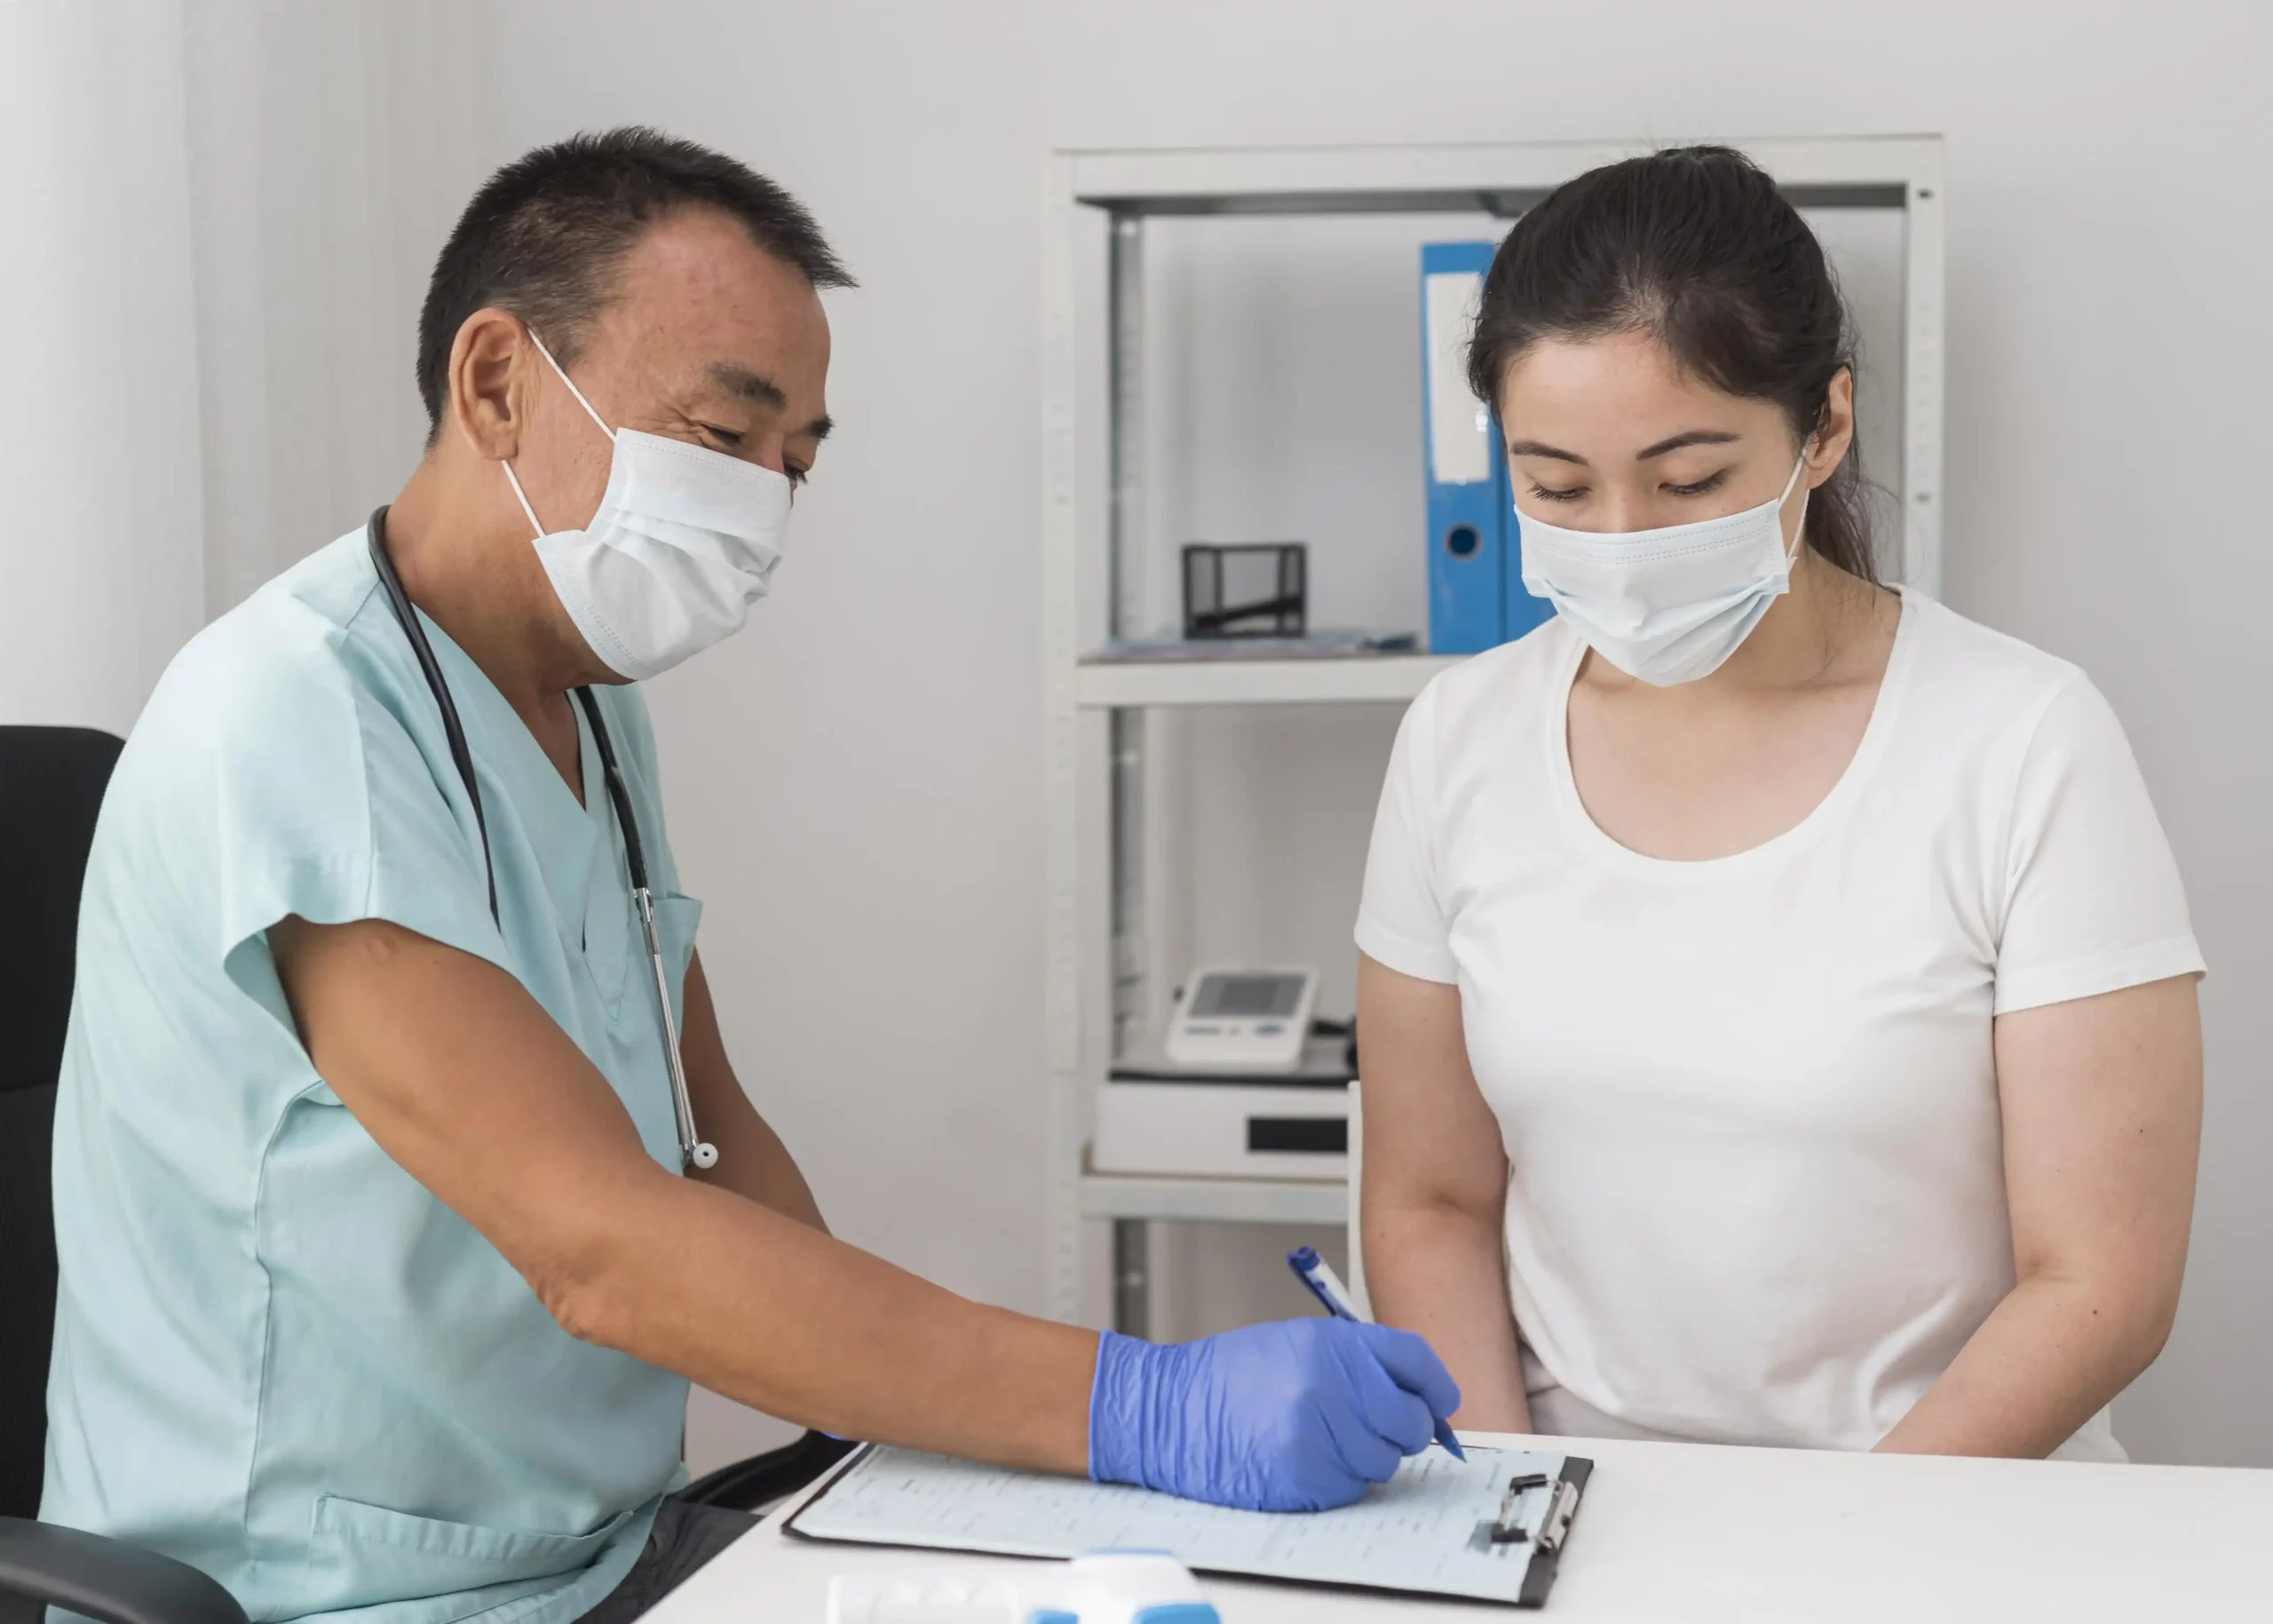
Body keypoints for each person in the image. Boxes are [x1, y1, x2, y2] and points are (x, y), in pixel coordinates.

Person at [42, 129, 1458, 1624]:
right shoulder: (291, 716)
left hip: (598, 1554)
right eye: (725, 437)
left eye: (796, 462)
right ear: (497, 383)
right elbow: (602, 1248)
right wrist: (1141, 1403)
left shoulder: (587, 704)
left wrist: (914, 1437)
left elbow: (709, 1137)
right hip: (334, 1596)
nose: (768, 506)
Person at [1356, 147, 2203, 1462]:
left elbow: (2101, 1281)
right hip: (1574, 1525)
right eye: (1559, 487)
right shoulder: (1458, 743)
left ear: (1827, 426)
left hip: (1935, 1528)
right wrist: (1502, 1516)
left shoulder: (2022, 742)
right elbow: (1430, 1200)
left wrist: (1831, 1561)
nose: (1625, 542)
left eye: (1689, 481)